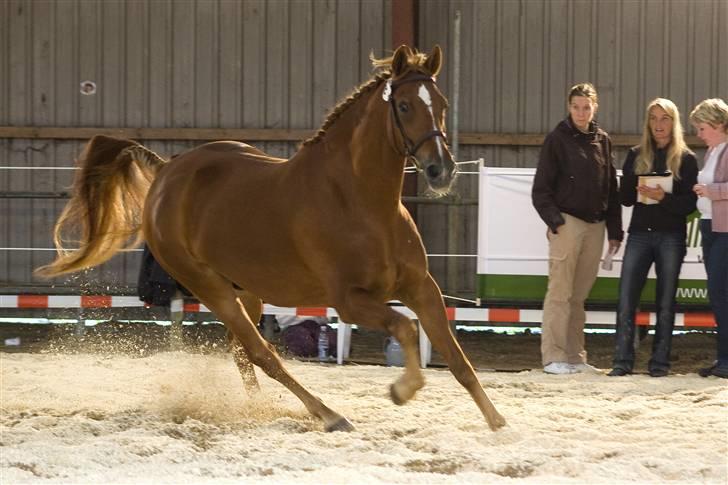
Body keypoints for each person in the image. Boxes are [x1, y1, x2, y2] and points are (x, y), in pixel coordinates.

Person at [532, 83, 623, 374]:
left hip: (596, 225)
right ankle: (553, 357)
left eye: (587, 106)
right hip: (567, 223)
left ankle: (574, 357)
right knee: (559, 292)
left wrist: (615, 231)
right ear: (569, 107)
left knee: (579, 296)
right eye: (576, 106)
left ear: (595, 107)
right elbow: (541, 190)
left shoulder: (603, 140)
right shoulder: (556, 139)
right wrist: (556, 222)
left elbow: (611, 186)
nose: (581, 112)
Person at [608, 99, 698, 377]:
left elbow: (689, 205)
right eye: (654, 119)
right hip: (638, 236)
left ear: (674, 122)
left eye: (665, 119)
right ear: (648, 123)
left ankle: (660, 364)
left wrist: (664, 197)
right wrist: (631, 186)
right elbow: (623, 200)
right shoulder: (636, 155)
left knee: (666, 302)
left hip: (671, 237)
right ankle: (622, 362)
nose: (659, 125)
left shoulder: (686, 158)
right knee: (626, 298)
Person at [690, 98, 728, 379]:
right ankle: (723, 358)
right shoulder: (714, 151)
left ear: (717, 125)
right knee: (717, 295)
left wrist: (709, 190)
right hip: (710, 226)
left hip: (724, 230)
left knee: (720, 293)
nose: (699, 134)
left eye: (702, 128)